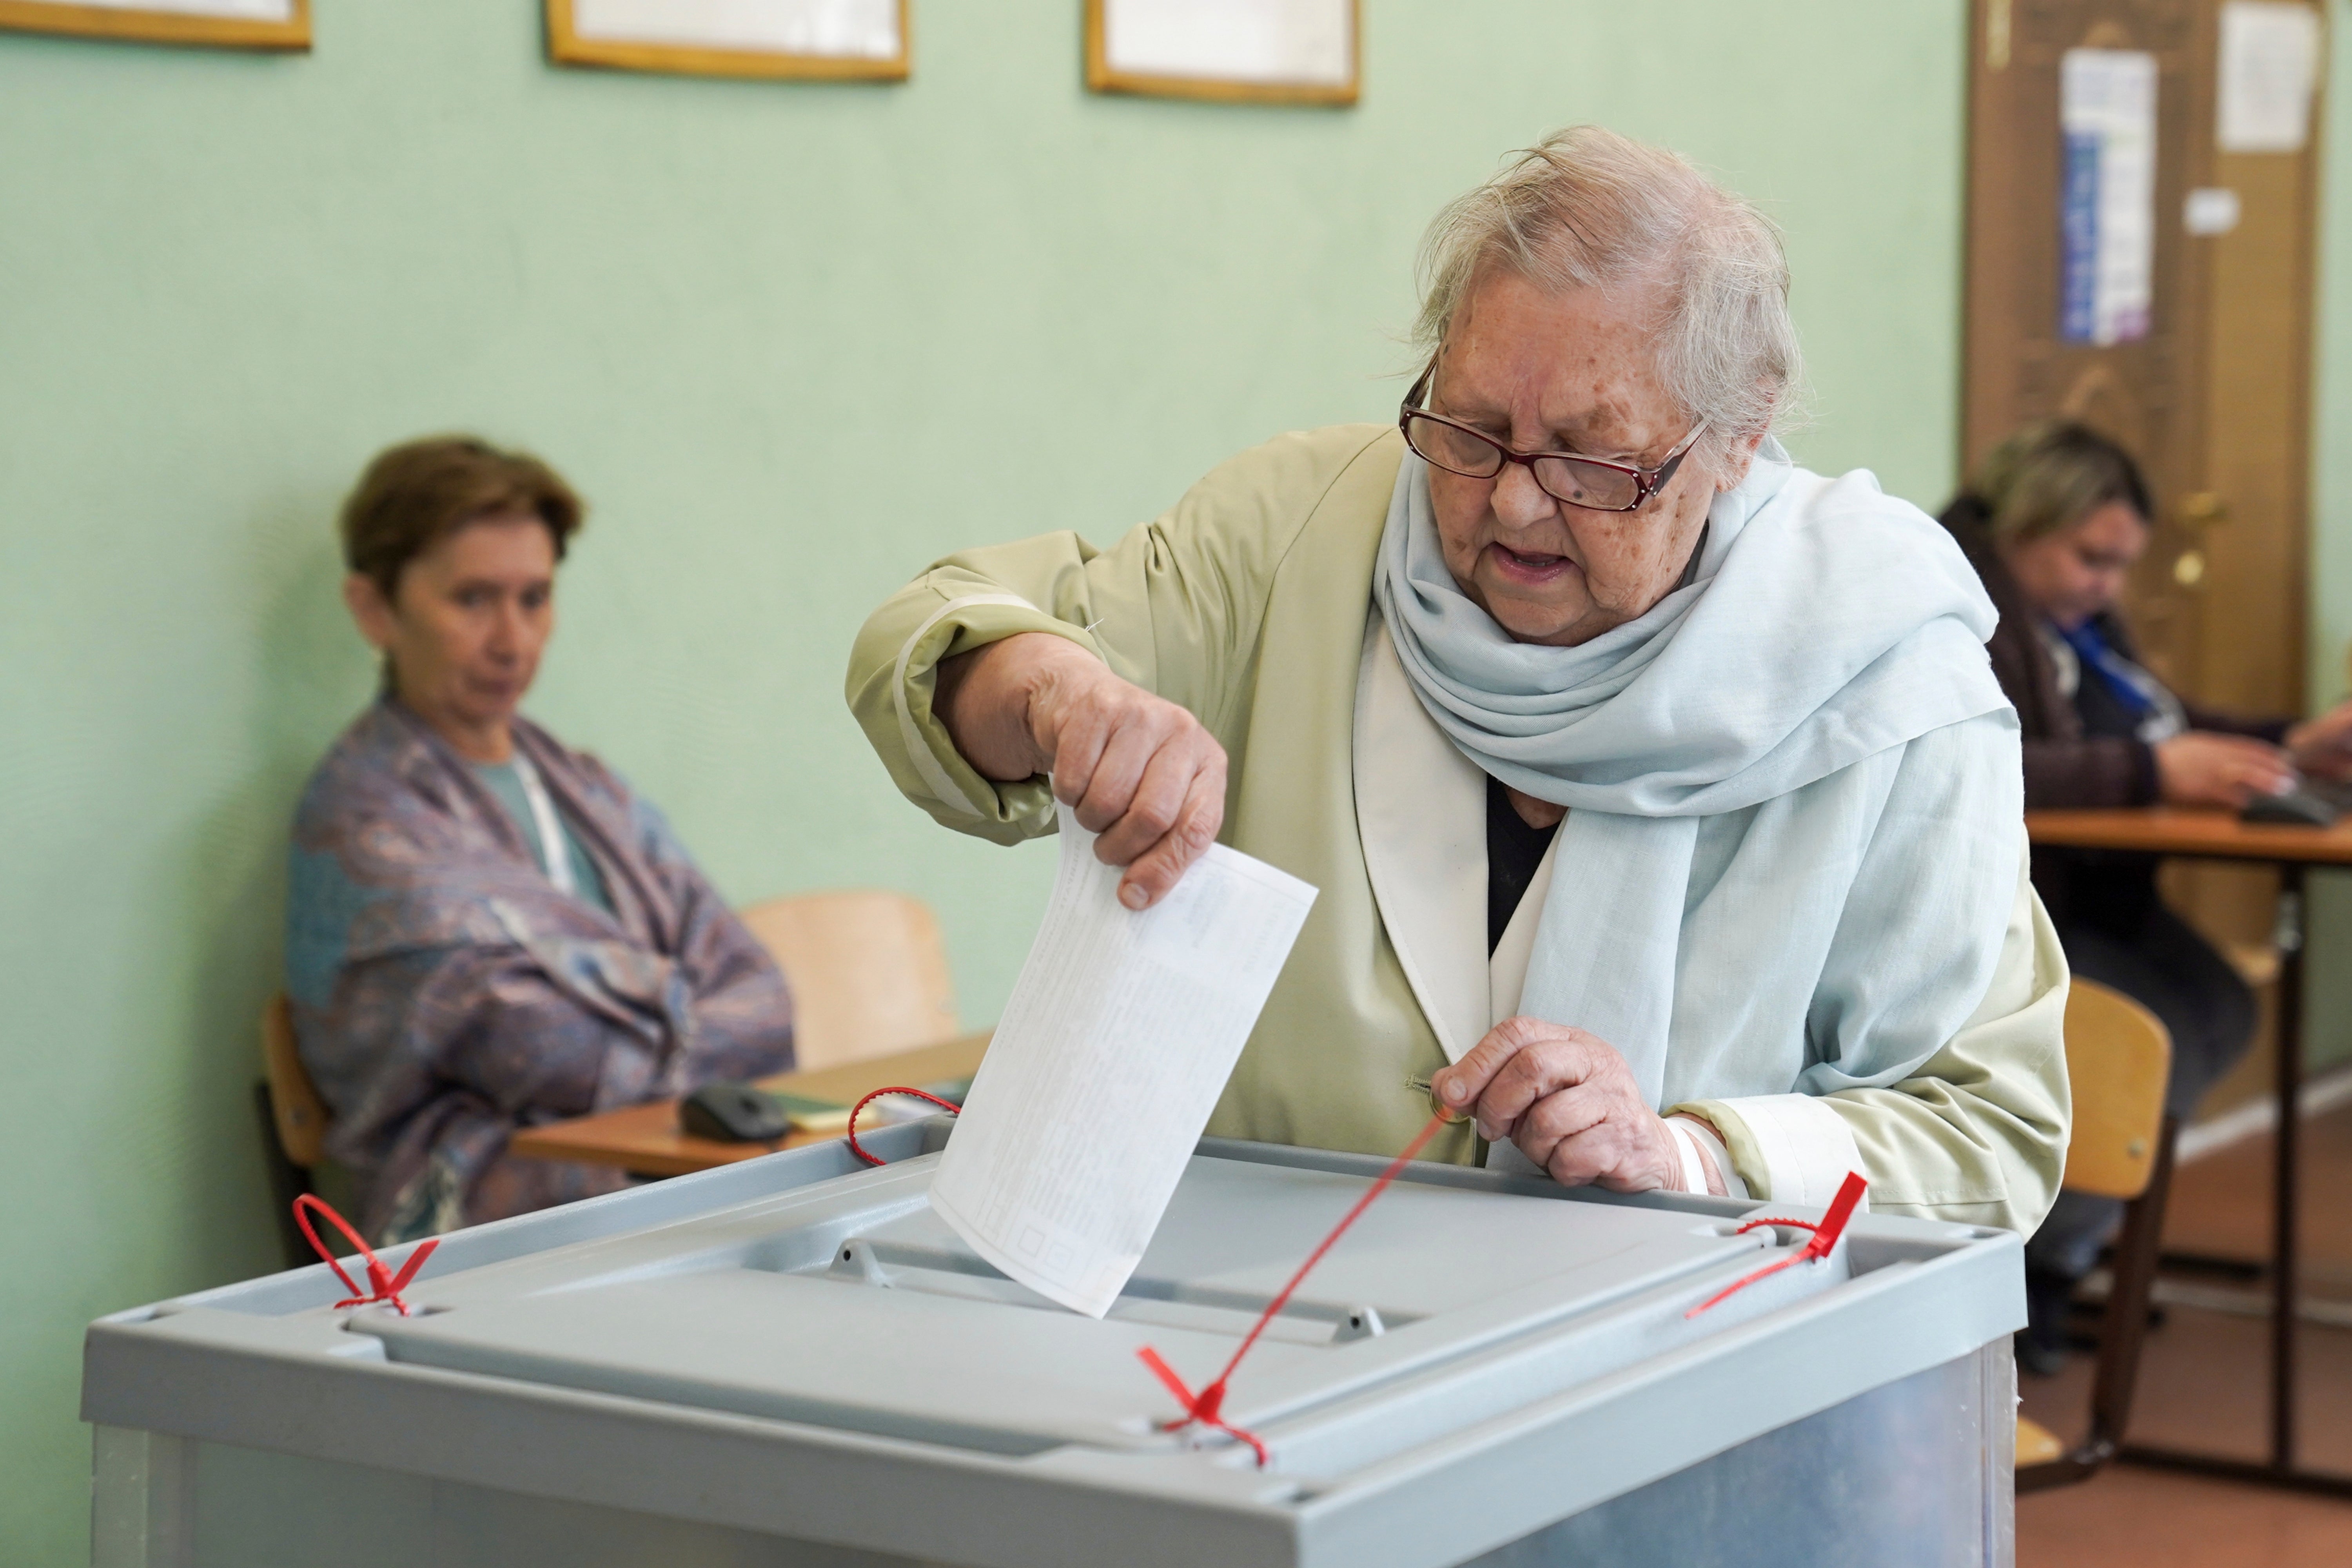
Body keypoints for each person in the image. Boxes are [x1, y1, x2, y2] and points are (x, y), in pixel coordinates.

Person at [847, 127, 2069, 1232]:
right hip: (1259, 1338)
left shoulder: (1892, 675)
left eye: (1594, 458)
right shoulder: (1300, 532)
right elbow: (933, 640)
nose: (1517, 500)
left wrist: (1693, 1153)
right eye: (1473, 429)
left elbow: (1989, 1135)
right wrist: (1058, 694)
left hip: (1692, 1392)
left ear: (1736, 438)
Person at [287, 436, 794, 1243]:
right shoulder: (361, 817)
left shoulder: (587, 789)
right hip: (474, 1222)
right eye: (473, 598)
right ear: (375, 609)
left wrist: (639, 1020)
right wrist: (687, 1017)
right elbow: (544, 1042)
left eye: (534, 597)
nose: (511, 639)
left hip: (655, 1167)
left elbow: (764, 1000)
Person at [1939, 420, 2352, 1368]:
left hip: (2101, 896)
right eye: (2093, 557)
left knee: (2216, 1004)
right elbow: (1986, 761)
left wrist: (2289, 744)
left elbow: (2163, 720)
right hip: (2017, 911)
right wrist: (2150, 772)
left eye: (2122, 564)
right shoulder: (1959, 599)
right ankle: (2036, 1268)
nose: (2108, 585)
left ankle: (2071, 1248)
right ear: (2031, 520)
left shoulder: (2076, 620)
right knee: (2153, 1028)